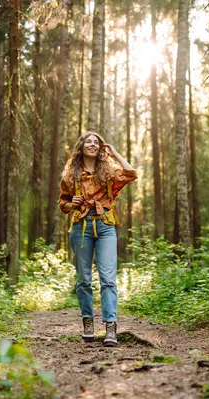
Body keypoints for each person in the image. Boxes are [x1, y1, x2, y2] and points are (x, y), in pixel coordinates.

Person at [58, 131, 137, 347]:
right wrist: (71, 203)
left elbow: (131, 173)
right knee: (83, 279)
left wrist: (115, 153)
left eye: (96, 142)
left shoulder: (109, 171)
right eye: (88, 141)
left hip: (105, 225)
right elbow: (62, 203)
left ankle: (111, 327)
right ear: (81, 146)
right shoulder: (71, 174)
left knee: (108, 278)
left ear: (100, 148)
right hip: (80, 227)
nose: (92, 144)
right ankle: (88, 323)